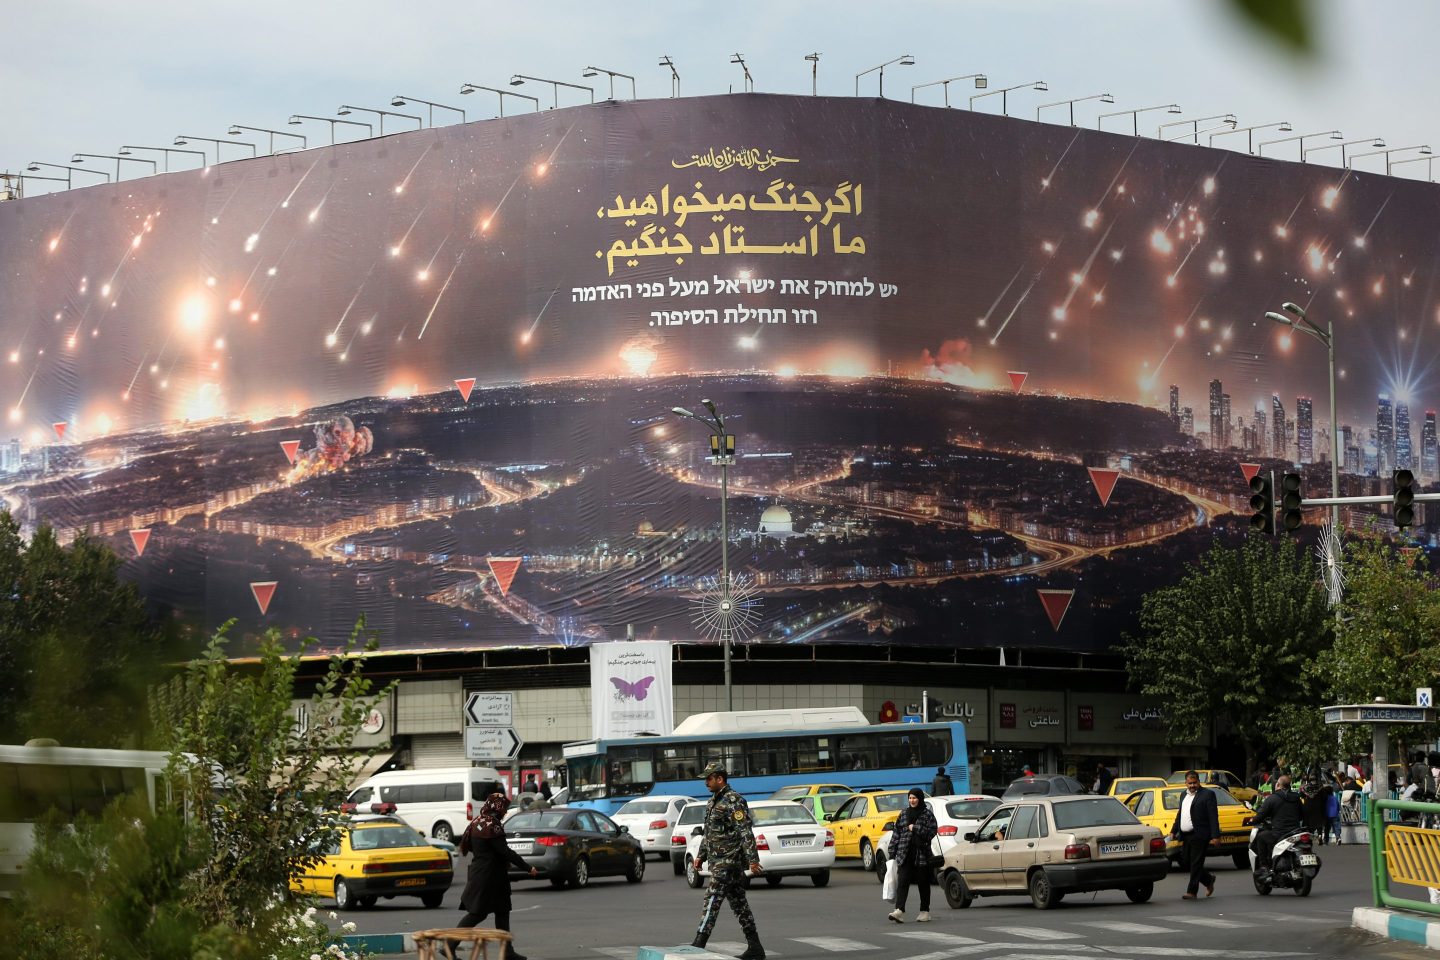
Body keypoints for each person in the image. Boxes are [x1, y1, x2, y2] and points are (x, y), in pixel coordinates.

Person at [691, 762, 765, 960]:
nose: (706, 782)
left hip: (729, 861)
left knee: (712, 898)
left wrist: (753, 860)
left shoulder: (734, 801)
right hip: (717, 861)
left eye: (709, 778)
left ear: (720, 778)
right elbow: (709, 834)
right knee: (739, 905)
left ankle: (699, 943)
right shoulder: (712, 802)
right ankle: (755, 947)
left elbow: (745, 831)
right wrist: (700, 856)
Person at [457, 792, 537, 960]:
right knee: (478, 914)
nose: (505, 812)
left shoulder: (477, 822)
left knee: (502, 911)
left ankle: (507, 951)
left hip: (482, 873)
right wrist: (528, 868)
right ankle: (449, 945)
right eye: (504, 808)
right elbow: (505, 851)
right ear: (497, 807)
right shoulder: (492, 825)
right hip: (490, 877)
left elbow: (470, 846)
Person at [887, 787, 938, 923]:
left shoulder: (927, 814)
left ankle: (924, 911)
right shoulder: (903, 813)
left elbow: (932, 831)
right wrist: (892, 850)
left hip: (921, 854)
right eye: (910, 798)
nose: (912, 800)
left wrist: (915, 828)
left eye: (914, 798)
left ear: (920, 799)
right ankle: (899, 910)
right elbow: (896, 832)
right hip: (905, 853)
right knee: (903, 882)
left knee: (923, 883)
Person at [1169, 770, 1220, 900]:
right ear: (1185, 783)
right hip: (1186, 836)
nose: (1192, 785)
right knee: (1186, 862)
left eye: (1194, 783)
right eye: (1190, 783)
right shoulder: (1183, 796)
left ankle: (1192, 892)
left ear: (1199, 782)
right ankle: (1208, 880)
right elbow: (1180, 815)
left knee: (1196, 863)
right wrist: (1173, 831)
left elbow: (1213, 816)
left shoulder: (1208, 794)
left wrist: (1215, 836)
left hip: (1200, 835)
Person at [1252, 774, 1305, 877]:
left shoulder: (1272, 798)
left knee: (1260, 837)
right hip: (1295, 832)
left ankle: (1263, 866)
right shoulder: (1296, 797)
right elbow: (1302, 815)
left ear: (1278, 784)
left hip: (1279, 833)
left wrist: (1252, 820)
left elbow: (1260, 815)